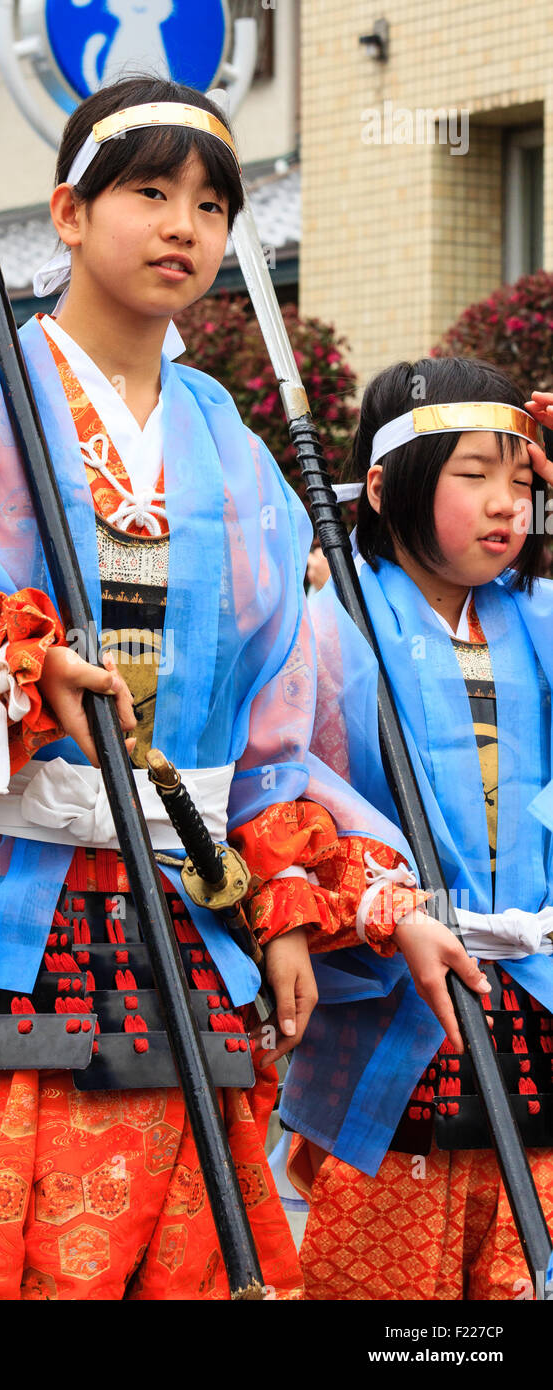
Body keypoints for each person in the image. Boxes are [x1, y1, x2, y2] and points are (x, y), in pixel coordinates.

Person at [0, 79, 484, 1302]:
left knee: (186, 1260)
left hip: (180, 930)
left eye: (210, 203)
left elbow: (274, 729)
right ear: (67, 214)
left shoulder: (230, 448)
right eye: (148, 190)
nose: (183, 223)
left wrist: (315, 896)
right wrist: (21, 667)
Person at [281, 356, 553, 1301]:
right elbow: (288, 797)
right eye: (474, 474)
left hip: (539, 992)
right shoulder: (323, 629)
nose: (505, 504)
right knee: (390, 1285)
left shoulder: (545, 621)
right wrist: (382, 902)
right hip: (401, 994)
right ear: (391, 484)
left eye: (522, 479)